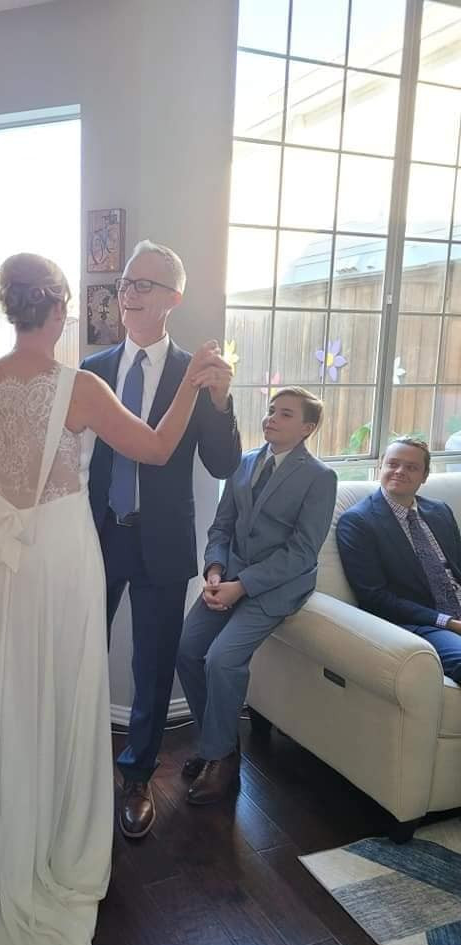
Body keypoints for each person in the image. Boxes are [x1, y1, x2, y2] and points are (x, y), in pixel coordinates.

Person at [0, 253, 226, 945]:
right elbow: (156, 447)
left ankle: (7, 834)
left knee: (13, 688)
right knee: (64, 685)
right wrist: (191, 385)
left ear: (12, 307)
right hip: (60, 550)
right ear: (58, 309)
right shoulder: (79, 385)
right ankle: (57, 838)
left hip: (6, 554)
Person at [81, 240, 241, 839]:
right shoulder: (92, 371)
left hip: (163, 543)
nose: (128, 293)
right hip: (92, 538)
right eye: (125, 282)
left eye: (142, 284)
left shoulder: (194, 375)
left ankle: (137, 777)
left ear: (174, 298)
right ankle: (76, 770)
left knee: (151, 666)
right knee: (79, 655)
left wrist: (220, 403)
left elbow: (223, 464)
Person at [176, 387, 337, 805]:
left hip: (276, 587)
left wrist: (242, 586)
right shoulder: (243, 464)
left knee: (222, 659)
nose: (271, 418)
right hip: (228, 577)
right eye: (270, 410)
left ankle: (220, 761)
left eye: (285, 414)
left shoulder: (320, 477)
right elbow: (221, 527)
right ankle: (220, 744)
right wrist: (215, 570)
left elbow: (302, 552)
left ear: (307, 428)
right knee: (187, 649)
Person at [336, 437, 461, 684]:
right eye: (393, 464)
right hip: (421, 621)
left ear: (425, 476)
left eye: (411, 467)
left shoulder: (440, 511)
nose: (400, 471)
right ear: (381, 466)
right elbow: (374, 597)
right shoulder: (358, 522)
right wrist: (449, 623)